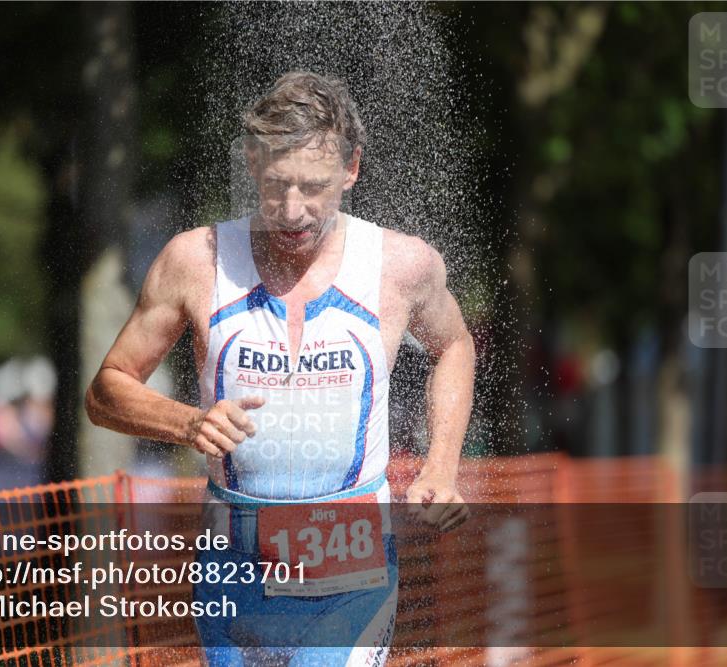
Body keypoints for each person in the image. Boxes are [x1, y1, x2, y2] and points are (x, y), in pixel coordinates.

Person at [86, 71, 475, 666]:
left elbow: (454, 347)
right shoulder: (195, 260)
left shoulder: (401, 265)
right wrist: (187, 423)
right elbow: (106, 390)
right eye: (276, 186)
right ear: (250, 163)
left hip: (353, 564)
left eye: (313, 187)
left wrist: (441, 465)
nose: (293, 211)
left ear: (351, 169)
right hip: (232, 566)